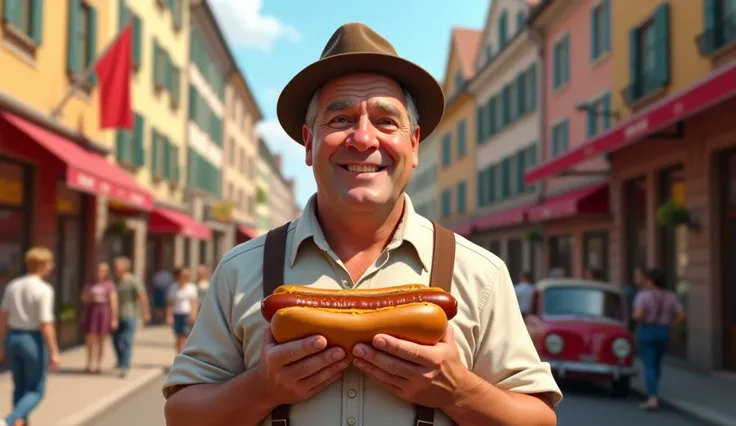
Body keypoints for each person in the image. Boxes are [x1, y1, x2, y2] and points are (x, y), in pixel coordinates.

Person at [162, 23, 561, 426]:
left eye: (387, 122)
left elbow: (539, 420)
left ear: (414, 143)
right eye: (340, 120)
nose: (364, 138)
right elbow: (181, 415)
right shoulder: (239, 270)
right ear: (308, 142)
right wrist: (263, 388)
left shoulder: (481, 274)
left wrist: (458, 391)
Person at [0, 247, 61, 426]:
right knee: (36, 390)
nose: (52, 266)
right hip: (32, 339)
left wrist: (2, 343)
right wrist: (54, 351)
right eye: (50, 263)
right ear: (43, 265)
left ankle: (20, 423)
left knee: (19, 385)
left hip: (13, 337)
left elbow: (3, 316)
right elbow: (45, 323)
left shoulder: (13, 285)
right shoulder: (44, 289)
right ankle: (9, 420)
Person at [631, 268, 685, 411]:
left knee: (648, 365)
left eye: (647, 280)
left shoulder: (643, 296)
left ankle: (652, 398)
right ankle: (654, 391)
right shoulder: (671, 296)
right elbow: (681, 314)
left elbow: (638, 315)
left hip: (647, 330)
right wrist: (672, 325)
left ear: (651, 281)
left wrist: (639, 316)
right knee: (657, 363)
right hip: (663, 331)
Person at [112, 256, 150, 378]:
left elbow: (142, 296)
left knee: (127, 340)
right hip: (116, 316)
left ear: (125, 267)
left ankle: (124, 366)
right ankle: (120, 360)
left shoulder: (133, 281)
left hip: (130, 315)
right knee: (115, 341)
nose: (115, 268)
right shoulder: (115, 281)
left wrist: (145, 312)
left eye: (117, 265)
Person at [81, 263, 118, 374]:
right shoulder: (89, 283)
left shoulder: (109, 285)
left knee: (101, 340)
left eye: (102, 271)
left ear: (106, 273)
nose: (99, 273)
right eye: (98, 270)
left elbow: (114, 302)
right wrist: (89, 296)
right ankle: (88, 364)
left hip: (103, 311)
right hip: (92, 310)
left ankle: (98, 365)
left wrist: (114, 318)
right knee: (90, 339)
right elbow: (83, 298)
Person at [166, 267, 198, 354]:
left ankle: (183, 354)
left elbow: (194, 303)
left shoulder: (191, 287)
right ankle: (178, 354)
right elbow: (170, 303)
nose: (183, 277)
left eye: (186, 276)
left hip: (187, 314)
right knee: (178, 336)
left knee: (184, 336)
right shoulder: (174, 287)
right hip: (177, 314)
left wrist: (193, 315)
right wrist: (169, 316)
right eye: (182, 275)